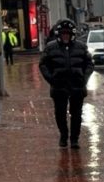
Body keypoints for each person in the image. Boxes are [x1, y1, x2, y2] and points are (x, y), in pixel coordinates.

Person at [38, 19, 94, 149]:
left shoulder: (81, 47)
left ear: (72, 34)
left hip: (77, 85)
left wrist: (84, 78)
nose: (65, 36)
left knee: (76, 114)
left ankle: (74, 139)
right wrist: (51, 79)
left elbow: (89, 64)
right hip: (59, 86)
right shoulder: (51, 47)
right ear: (59, 34)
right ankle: (63, 135)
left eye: (67, 34)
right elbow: (43, 64)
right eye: (63, 34)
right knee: (60, 113)